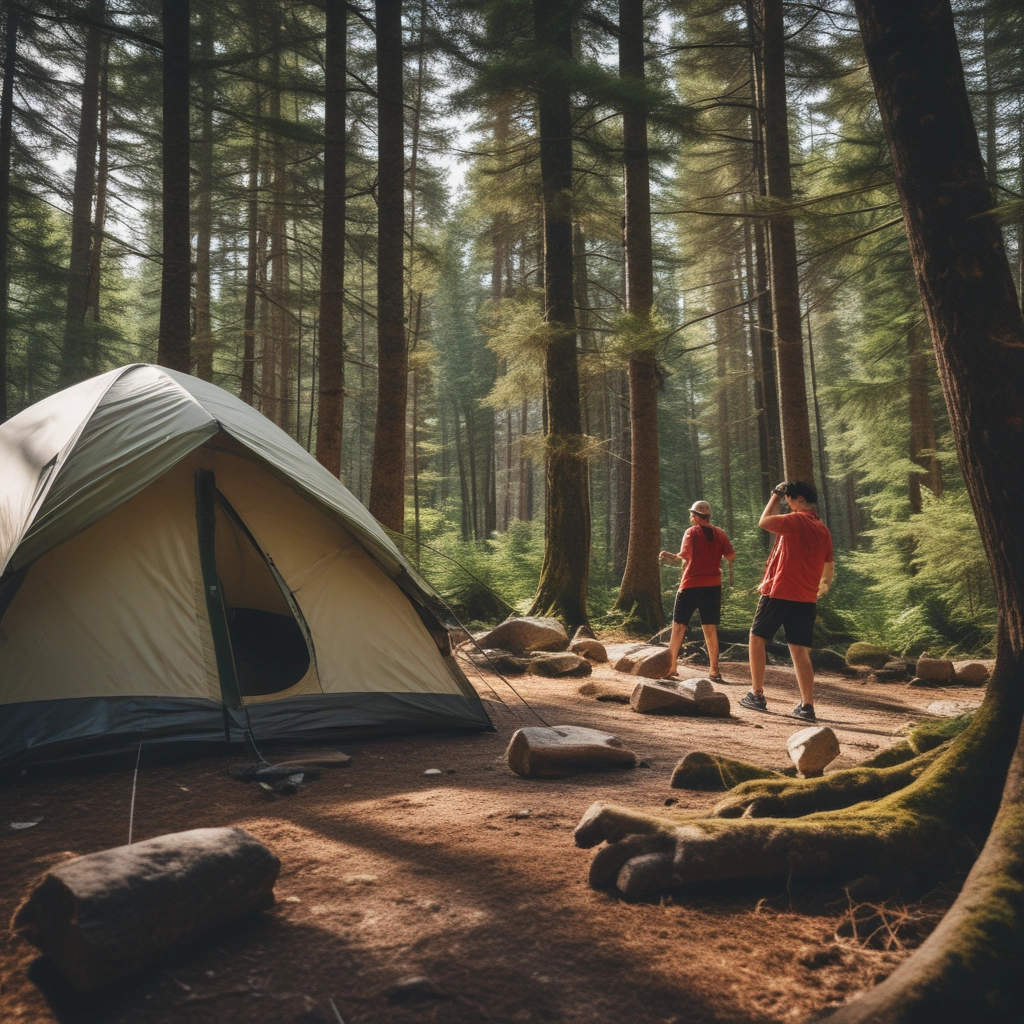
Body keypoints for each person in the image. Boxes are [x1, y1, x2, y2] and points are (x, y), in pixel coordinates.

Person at [740, 481, 834, 722]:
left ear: (799, 500)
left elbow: (764, 521)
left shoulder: (795, 521)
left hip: (780, 592)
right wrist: (823, 585)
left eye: (789, 500)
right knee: (800, 651)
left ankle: (757, 694)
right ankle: (807, 706)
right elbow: (829, 566)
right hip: (806, 597)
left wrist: (774, 495)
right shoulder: (823, 530)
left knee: (756, 638)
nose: (788, 504)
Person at [659, 500, 736, 681]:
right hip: (713, 587)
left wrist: (666, 557)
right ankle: (714, 670)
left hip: (690, 586)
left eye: (691, 514)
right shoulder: (721, 534)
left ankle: (671, 667)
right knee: (710, 628)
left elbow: (682, 558)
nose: (690, 517)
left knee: (679, 626)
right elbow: (730, 556)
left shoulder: (691, 532)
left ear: (695, 515)